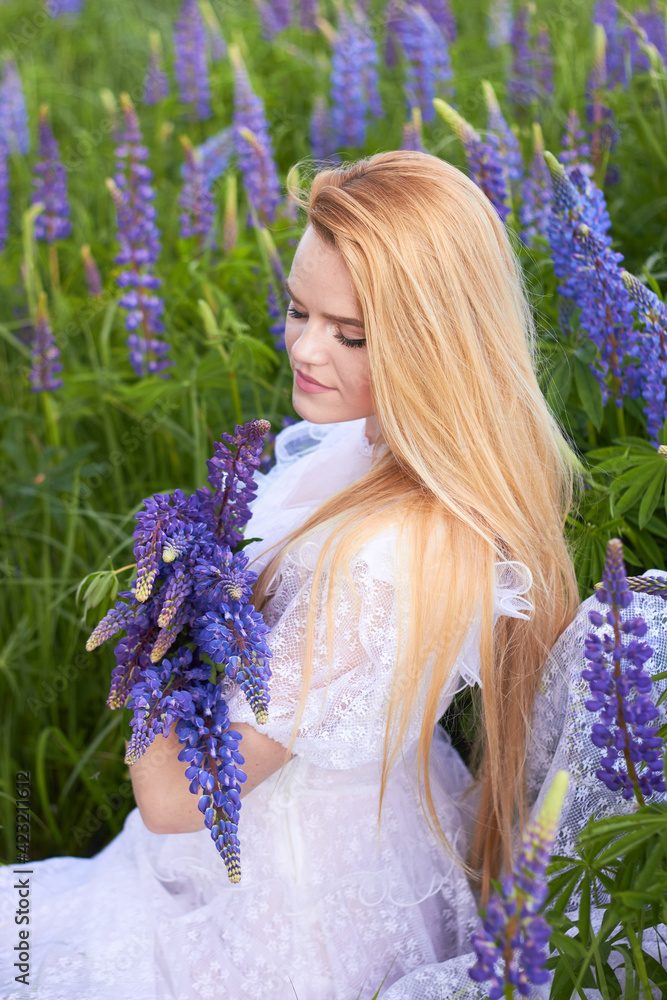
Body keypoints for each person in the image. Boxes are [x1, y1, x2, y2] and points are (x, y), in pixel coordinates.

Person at [0, 150, 584, 1000]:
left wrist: (159, 639)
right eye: (297, 309)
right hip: (317, 842)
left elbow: (174, 800)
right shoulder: (365, 448)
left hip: (290, 911)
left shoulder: (383, 560)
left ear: (436, 346)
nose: (308, 349)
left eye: (349, 334)